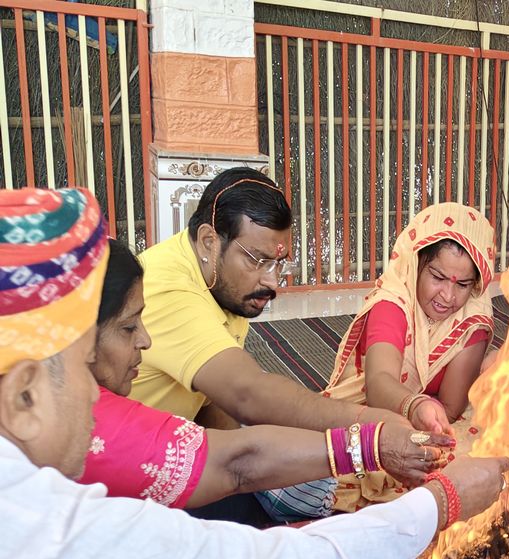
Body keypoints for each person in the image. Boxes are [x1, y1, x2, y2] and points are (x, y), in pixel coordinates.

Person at [0, 186, 509, 559]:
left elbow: (225, 433)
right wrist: (438, 500)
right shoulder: (52, 546)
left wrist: (370, 445)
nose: (145, 342)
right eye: (125, 330)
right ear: (24, 395)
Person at [130, 168, 440, 522]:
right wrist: (368, 431)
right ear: (208, 241)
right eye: (257, 260)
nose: (271, 281)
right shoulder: (169, 290)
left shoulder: (222, 282)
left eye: (278, 262)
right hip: (121, 484)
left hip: (172, 443)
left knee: (284, 490)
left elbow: (218, 403)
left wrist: (263, 467)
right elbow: (248, 393)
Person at [81, 238, 444, 511]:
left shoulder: (219, 289)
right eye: (128, 327)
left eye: (278, 263)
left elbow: (225, 416)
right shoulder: (99, 426)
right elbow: (238, 456)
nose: (145, 340)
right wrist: (370, 442)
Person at [325, 202, 495, 511]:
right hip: (372, 413)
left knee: (490, 447)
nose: (447, 295)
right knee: (345, 458)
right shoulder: (393, 302)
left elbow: (451, 408)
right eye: (438, 276)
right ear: (415, 264)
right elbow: (378, 386)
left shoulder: (474, 315)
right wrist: (415, 405)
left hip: (432, 421)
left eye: (463, 284)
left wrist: (428, 431)